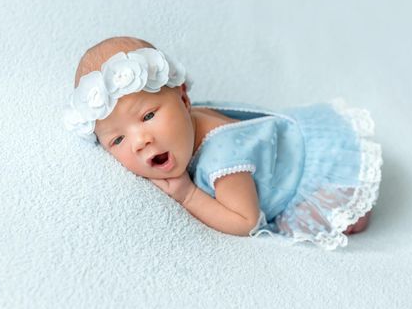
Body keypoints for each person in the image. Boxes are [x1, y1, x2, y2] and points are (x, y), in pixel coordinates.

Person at [63, 36, 383, 251]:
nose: (140, 141)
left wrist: (188, 195)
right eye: (118, 139)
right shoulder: (185, 122)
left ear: (184, 98)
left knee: (344, 215)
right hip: (282, 140)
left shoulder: (223, 160)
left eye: (147, 116)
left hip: (307, 171)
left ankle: (352, 201)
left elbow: (245, 221)